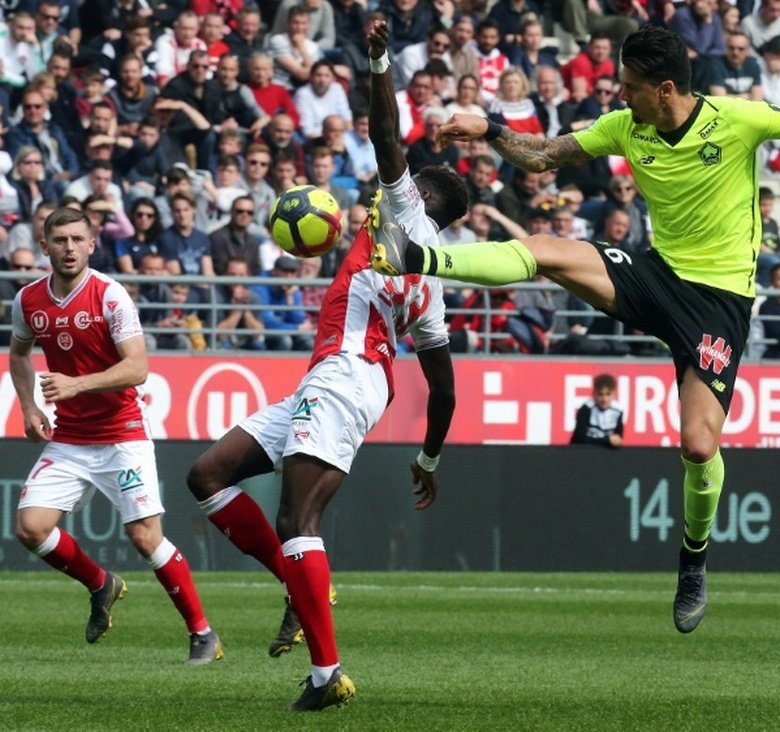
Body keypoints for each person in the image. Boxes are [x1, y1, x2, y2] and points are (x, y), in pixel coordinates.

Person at [372, 24, 780, 634]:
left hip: (717, 304)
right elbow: (548, 155)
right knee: (548, 248)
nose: (621, 95)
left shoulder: (736, 120)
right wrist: (493, 130)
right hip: (656, 276)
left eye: (630, 87)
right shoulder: (626, 126)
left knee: (698, 446)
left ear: (665, 89)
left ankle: (692, 562)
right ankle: (421, 258)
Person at [184, 18, 467, 711]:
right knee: (208, 475)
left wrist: (376, 61)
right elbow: (444, 386)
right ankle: (297, 584)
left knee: (297, 524)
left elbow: (385, 133)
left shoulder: (405, 217)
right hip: (344, 379)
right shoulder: (432, 281)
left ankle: (325, 675)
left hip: (344, 375)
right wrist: (428, 460)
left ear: (422, 192)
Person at [9, 207, 222, 665]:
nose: (68, 248)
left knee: (145, 538)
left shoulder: (110, 296)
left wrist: (76, 384)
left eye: (76, 240)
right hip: (70, 438)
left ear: (91, 244)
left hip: (122, 434)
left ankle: (202, 633)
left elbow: (138, 368)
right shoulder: (28, 301)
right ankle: (101, 584)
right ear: (44, 245)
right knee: (30, 528)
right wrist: (28, 406)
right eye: (59, 240)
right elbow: (19, 353)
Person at [571, 373, 624, 447]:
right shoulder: (586, 409)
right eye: (600, 394)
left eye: (608, 394)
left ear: (613, 394)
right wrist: (607, 440)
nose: (604, 399)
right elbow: (579, 439)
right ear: (594, 394)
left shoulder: (618, 411)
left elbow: (617, 439)